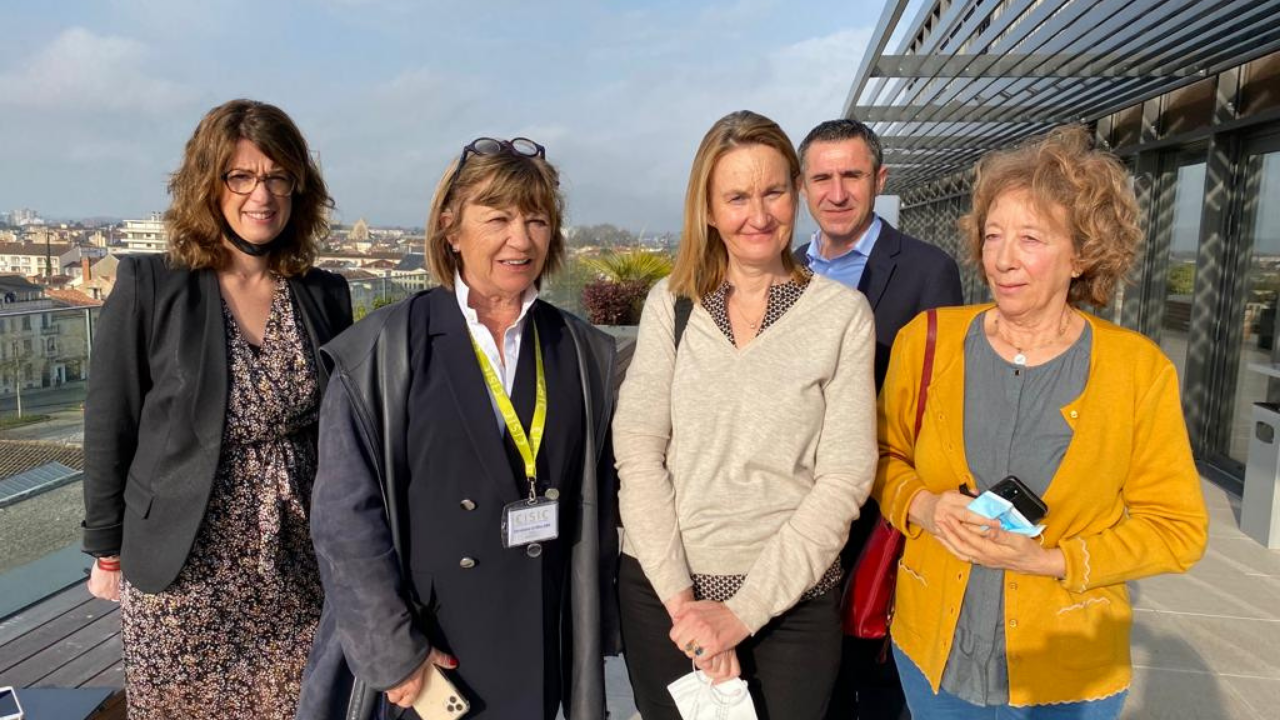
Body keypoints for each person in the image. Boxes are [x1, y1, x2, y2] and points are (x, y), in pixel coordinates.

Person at [875, 126, 1209, 719]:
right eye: (993, 235)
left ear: (1081, 254)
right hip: (933, 655)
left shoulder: (1137, 370)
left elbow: (1177, 529)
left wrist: (1050, 561)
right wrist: (924, 506)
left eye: (1030, 238)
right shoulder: (929, 341)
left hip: (1068, 670)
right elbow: (880, 459)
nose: (1002, 259)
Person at [297, 137, 620, 720]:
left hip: (538, 646)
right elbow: (345, 520)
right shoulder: (382, 350)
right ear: (450, 228)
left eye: (537, 219)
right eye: (497, 219)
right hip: (429, 657)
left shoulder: (581, 350)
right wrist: (394, 654)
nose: (521, 239)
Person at [82, 99, 352, 720]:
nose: (262, 194)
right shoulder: (152, 284)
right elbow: (110, 423)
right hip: (184, 573)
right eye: (241, 176)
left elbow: (343, 427)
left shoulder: (324, 294)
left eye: (278, 177)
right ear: (209, 184)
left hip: (297, 565)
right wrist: (106, 549)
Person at [614, 110, 878, 720]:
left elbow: (845, 477)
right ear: (708, 210)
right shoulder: (672, 304)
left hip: (790, 605)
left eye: (773, 192)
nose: (758, 216)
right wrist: (687, 609)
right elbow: (638, 449)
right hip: (666, 593)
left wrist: (742, 613)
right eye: (736, 197)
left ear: (796, 194)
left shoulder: (842, 316)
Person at [794, 118, 964, 720]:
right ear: (802, 186)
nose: (837, 193)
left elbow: (942, 401)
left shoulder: (927, 270)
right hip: (792, 503)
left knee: (873, 675)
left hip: (876, 503)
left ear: (880, 179)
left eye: (853, 175)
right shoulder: (783, 269)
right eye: (822, 178)